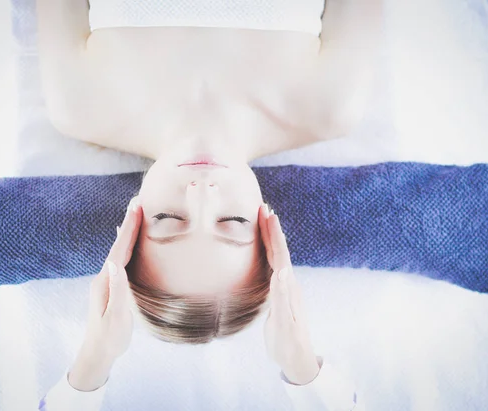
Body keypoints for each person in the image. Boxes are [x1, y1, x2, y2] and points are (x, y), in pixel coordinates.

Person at [37, 0, 382, 409]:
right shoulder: (331, 106)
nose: (201, 190)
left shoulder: (77, 105)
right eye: (232, 222)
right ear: (270, 235)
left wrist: (95, 358)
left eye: (168, 219)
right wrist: (301, 366)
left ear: (131, 224)